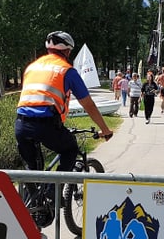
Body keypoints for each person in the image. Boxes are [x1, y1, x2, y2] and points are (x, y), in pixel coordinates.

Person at [16, 31, 113, 179]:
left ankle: (33, 198)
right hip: (46, 125)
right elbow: (88, 105)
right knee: (70, 149)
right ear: (67, 51)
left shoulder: (31, 67)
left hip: (21, 125)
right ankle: (52, 190)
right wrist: (105, 129)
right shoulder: (67, 71)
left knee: (32, 171)